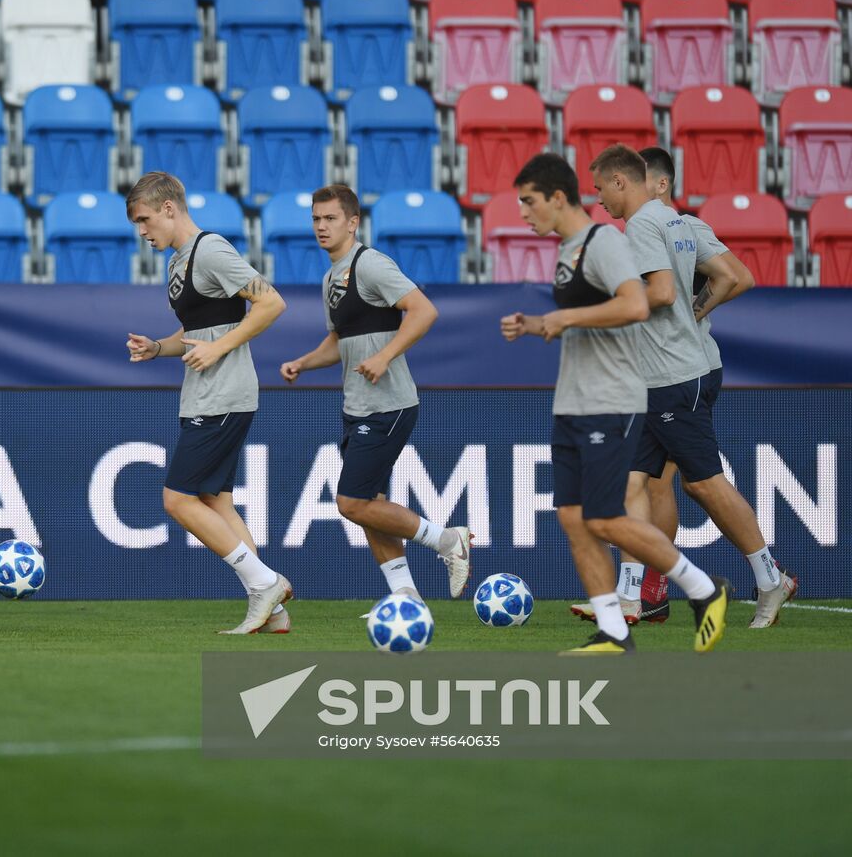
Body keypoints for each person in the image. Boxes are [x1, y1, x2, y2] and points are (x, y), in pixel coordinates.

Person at [501, 152, 730, 654]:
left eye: (529, 201)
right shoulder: (569, 250)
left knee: (605, 517)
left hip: (611, 397)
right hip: (574, 398)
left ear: (557, 198)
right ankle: (614, 630)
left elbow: (638, 301)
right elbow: (587, 318)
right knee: (572, 517)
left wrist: (565, 319)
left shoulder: (604, 242)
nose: (522, 212)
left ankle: (703, 589)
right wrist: (537, 325)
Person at [588, 145, 790, 627]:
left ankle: (770, 578)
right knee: (633, 482)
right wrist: (693, 315)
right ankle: (631, 595)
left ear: (621, 182)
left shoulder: (642, 226)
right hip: (663, 374)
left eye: (599, 189)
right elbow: (733, 277)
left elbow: (659, 293)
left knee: (703, 484)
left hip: (673, 377)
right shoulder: (679, 222)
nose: (597, 199)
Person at [278, 184, 472, 602]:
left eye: (331, 218)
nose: (321, 226)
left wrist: (385, 356)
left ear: (353, 222)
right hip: (358, 405)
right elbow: (339, 341)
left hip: (389, 404)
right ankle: (406, 597)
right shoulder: (331, 277)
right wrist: (304, 363)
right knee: (372, 505)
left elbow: (424, 310)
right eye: (316, 219)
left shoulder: (370, 264)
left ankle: (447, 540)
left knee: (351, 502)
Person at [124, 171, 291, 634]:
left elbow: (271, 303)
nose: (142, 231)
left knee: (177, 500)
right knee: (216, 502)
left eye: (144, 219)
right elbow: (200, 330)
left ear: (169, 209)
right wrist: (158, 347)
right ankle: (273, 612)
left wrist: (218, 349)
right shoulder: (178, 262)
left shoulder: (211, 250)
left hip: (224, 394)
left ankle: (266, 583)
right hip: (206, 394)